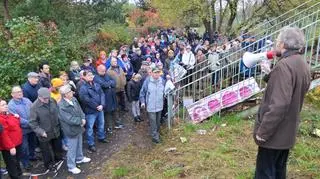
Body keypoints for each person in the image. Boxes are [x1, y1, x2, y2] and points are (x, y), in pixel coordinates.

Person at [253, 27, 311, 179]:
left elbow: (279, 105)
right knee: (279, 171)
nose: (277, 45)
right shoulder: (302, 64)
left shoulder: (284, 66)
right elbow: (293, 91)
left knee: (265, 173)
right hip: (287, 133)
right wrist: (270, 74)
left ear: (283, 45)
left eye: (278, 42)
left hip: (273, 135)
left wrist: (262, 133)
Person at [58, 85, 91, 174]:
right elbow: (68, 119)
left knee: (79, 144)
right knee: (72, 148)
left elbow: (80, 111)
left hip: (79, 126)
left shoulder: (74, 99)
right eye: (69, 92)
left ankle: (79, 158)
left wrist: (83, 118)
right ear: (65, 95)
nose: (72, 92)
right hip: (70, 129)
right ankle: (71, 166)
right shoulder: (61, 106)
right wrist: (81, 121)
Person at [29, 88, 63, 172]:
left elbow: (57, 112)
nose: (47, 100)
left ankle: (58, 159)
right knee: (46, 151)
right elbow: (32, 123)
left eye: (48, 98)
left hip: (55, 129)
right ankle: (48, 164)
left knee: (57, 146)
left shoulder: (52, 100)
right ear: (39, 97)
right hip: (44, 133)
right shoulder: (34, 107)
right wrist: (41, 131)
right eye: (45, 99)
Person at [8, 86, 36, 171]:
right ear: (12, 94)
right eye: (17, 92)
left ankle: (32, 156)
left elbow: (33, 109)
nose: (20, 93)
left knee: (33, 143)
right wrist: (30, 123)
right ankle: (25, 163)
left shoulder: (27, 100)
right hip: (22, 130)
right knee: (24, 148)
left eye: (20, 91)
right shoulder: (11, 105)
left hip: (32, 128)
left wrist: (34, 120)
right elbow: (17, 119)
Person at [79, 70, 107, 153]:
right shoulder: (83, 88)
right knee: (90, 128)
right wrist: (96, 106)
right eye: (88, 75)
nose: (91, 76)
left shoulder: (96, 84)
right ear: (84, 77)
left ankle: (101, 137)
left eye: (91, 75)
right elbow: (86, 100)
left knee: (101, 123)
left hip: (100, 109)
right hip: (90, 111)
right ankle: (91, 144)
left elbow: (102, 94)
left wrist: (102, 104)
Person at [139, 67, 166, 144]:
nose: (157, 74)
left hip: (159, 105)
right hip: (150, 106)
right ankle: (155, 138)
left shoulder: (162, 81)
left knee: (157, 122)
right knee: (153, 122)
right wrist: (143, 102)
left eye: (158, 72)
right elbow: (142, 93)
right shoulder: (147, 81)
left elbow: (165, 91)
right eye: (155, 72)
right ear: (152, 73)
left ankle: (156, 133)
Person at [94, 65, 122, 133]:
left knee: (115, 109)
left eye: (105, 71)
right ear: (98, 71)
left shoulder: (106, 74)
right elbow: (103, 85)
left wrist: (109, 84)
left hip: (112, 95)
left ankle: (117, 124)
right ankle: (109, 127)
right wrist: (109, 84)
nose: (104, 72)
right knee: (108, 112)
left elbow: (114, 82)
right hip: (105, 97)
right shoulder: (96, 77)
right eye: (102, 71)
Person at [0, 99, 23, 179]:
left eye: (6, 104)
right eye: (2, 105)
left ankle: (19, 173)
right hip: (9, 146)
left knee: (17, 161)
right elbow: (4, 135)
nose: (6, 106)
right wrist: (11, 147)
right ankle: (15, 176)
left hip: (17, 143)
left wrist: (17, 117)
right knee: (11, 163)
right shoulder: (1, 119)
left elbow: (16, 124)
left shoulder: (9, 114)